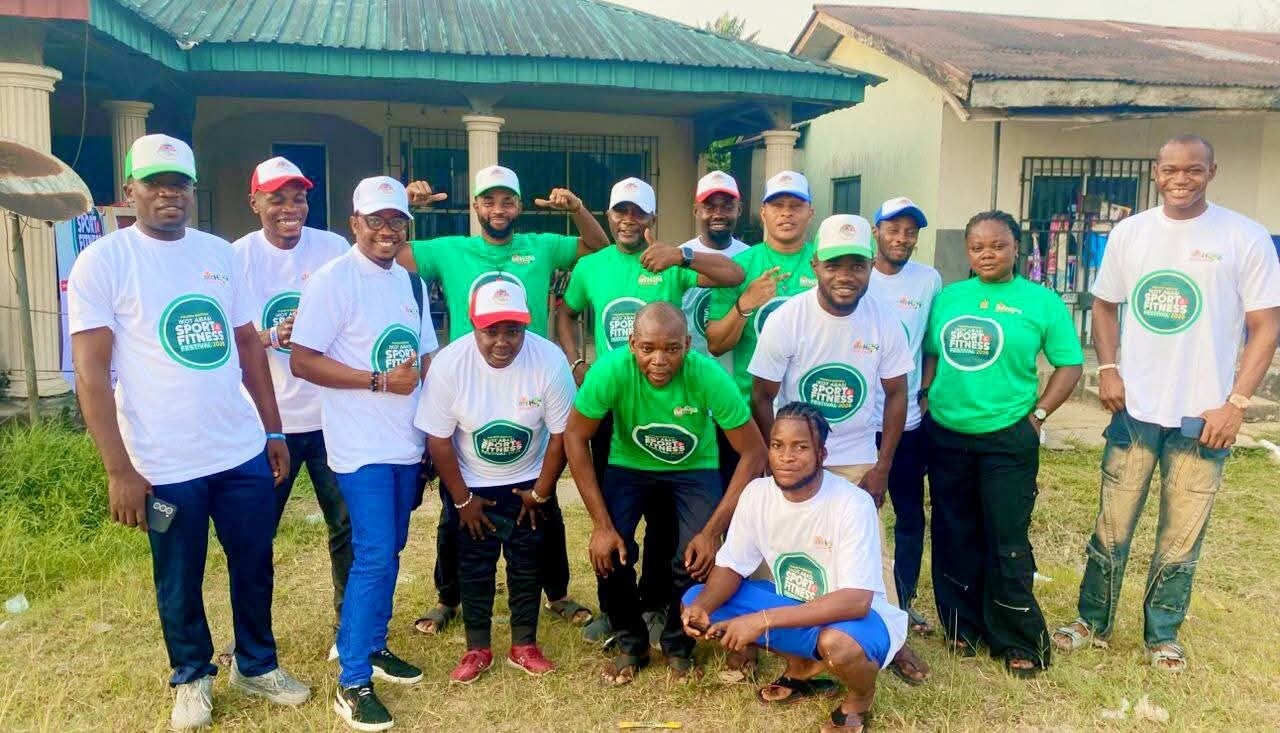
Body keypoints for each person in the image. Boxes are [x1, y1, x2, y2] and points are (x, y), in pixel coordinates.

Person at [68, 134, 309, 730]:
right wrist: (120, 470)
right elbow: (91, 375)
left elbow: (247, 345)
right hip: (163, 461)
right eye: (155, 183)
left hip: (239, 449)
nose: (168, 194)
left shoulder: (219, 254)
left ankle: (256, 665)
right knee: (178, 574)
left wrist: (273, 432)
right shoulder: (104, 261)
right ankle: (192, 676)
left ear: (193, 190)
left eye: (179, 183)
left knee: (254, 561)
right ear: (130, 190)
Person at [1052, 135, 1280, 671]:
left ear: (1211, 171)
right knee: (1111, 525)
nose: (1181, 179)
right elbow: (1104, 306)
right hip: (1134, 411)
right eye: (1171, 169)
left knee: (1181, 535)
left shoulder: (1244, 237)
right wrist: (1109, 370)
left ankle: (1162, 635)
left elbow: (1266, 326)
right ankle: (1092, 621)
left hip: (1203, 418)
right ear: (1156, 172)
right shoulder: (1131, 233)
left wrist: (1236, 404)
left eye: (1193, 170)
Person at [399, 165, 604, 636]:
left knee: (543, 507)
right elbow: (389, 251)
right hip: (471, 384)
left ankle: (557, 593)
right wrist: (404, 207)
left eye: (507, 200)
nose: (498, 209)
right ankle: (448, 598)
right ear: (475, 206)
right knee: (455, 511)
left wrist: (576, 208)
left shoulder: (541, 245)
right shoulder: (450, 249)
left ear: (519, 206)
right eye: (488, 200)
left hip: (530, 381)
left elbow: (598, 246)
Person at [557, 177, 745, 646]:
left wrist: (681, 256)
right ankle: (616, 612)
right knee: (615, 514)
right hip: (615, 403)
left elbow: (734, 276)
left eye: (638, 212)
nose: (628, 220)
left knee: (666, 519)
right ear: (609, 215)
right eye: (620, 211)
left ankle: (659, 602)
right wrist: (576, 360)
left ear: (651, 219)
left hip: (673, 408)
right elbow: (566, 311)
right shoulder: (592, 265)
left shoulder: (668, 260)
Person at [748, 214, 929, 686]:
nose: (845, 276)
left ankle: (891, 638)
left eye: (856, 265)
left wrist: (882, 466)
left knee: (871, 553)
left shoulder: (884, 321)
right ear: (816, 266)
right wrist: (777, 458)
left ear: (870, 267)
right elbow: (761, 396)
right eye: (834, 265)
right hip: (796, 455)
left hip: (855, 456)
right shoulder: (788, 318)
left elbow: (897, 394)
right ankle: (767, 637)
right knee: (778, 547)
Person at [290, 176, 438, 731]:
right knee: (374, 552)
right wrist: (377, 381)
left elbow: (426, 357)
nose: (386, 230)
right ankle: (352, 679)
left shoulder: (411, 282)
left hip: (405, 441)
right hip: (359, 446)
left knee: (392, 547)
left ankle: (374, 645)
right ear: (355, 223)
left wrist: (433, 431)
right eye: (375, 220)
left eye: (396, 220)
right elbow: (303, 360)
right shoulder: (333, 280)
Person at [564, 303, 767, 684]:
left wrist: (712, 533)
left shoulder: (708, 376)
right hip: (629, 466)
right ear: (632, 344)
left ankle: (678, 645)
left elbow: (754, 452)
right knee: (611, 551)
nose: (659, 360)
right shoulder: (610, 370)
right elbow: (574, 436)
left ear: (688, 344)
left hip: (694, 469)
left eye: (672, 349)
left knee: (694, 558)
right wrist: (601, 525)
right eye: (648, 348)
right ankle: (631, 643)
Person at [921, 210, 1083, 678]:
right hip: (947, 433)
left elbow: (1070, 364)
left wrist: (1039, 415)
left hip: (1008, 436)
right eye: (977, 247)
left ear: (1017, 248)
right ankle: (962, 626)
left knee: (1005, 536)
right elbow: (930, 352)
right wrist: (927, 394)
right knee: (953, 531)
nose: (987, 254)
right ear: (967, 251)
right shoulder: (949, 298)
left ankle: (1017, 638)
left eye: (998, 245)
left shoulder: (1041, 301)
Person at [681, 403, 908, 733]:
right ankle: (801, 664)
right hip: (796, 604)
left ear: (821, 455)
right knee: (696, 599)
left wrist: (760, 620)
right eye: (777, 445)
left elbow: (856, 602)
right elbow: (731, 566)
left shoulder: (852, 503)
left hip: (856, 619)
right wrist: (702, 608)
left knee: (838, 645)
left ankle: (860, 698)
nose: (786, 457)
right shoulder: (756, 493)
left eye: (800, 447)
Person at [415, 280, 575, 684]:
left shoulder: (549, 360)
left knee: (527, 561)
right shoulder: (450, 364)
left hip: (528, 481)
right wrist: (462, 500)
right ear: (473, 324)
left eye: (513, 330)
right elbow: (438, 438)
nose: (502, 342)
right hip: (472, 483)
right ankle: (477, 648)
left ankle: (524, 645)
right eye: (491, 331)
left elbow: (562, 435)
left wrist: (541, 492)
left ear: (526, 326)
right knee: (474, 563)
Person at [232, 156, 353, 640]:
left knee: (346, 527)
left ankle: (349, 626)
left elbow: (354, 316)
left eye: (298, 198)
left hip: (331, 418)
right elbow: (226, 341)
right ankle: (251, 640)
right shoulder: (236, 258)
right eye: (277, 198)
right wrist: (268, 336)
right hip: (268, 423)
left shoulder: (333, 249)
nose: (290, 208)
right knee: (256, 534)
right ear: (254, 203)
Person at [866, 197, 942, 636]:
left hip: (908, 421)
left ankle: (904, 599)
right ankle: (861, 597)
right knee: (858, 513)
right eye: (893, 229)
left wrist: (925, 391)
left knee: (910, 515)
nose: (902, 238)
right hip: (859, 422)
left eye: (910, 232)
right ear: (876, 231)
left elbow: (930, 344)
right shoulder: (858, 275)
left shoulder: (928, 280)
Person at [706, 170, 818, 402]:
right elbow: (716, 345)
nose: (786, 213)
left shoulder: (825, 264)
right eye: (777, 205)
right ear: (763, 212)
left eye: (796, 205)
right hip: (752, 404)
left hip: (810, 405)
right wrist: (744, 305)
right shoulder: (738, 267)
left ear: (810, 212)